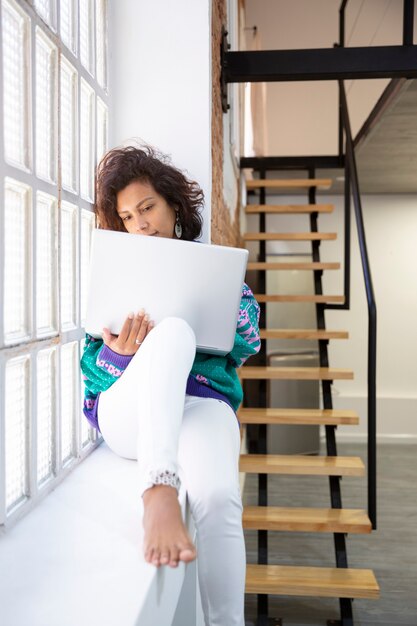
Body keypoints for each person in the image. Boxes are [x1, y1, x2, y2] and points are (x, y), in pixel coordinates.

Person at [80, 144, 261, 626]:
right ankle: (157, 491)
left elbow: (247, 345)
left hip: (198, 406)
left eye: (147, 208)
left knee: (220, 497)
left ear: (173, 208)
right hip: (131, 417)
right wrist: (118, 356)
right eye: (126, 216)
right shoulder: (117, 274)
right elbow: (91, 375)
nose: (139, 223)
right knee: (175, 331)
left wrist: (231, 315)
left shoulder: (212, 269)